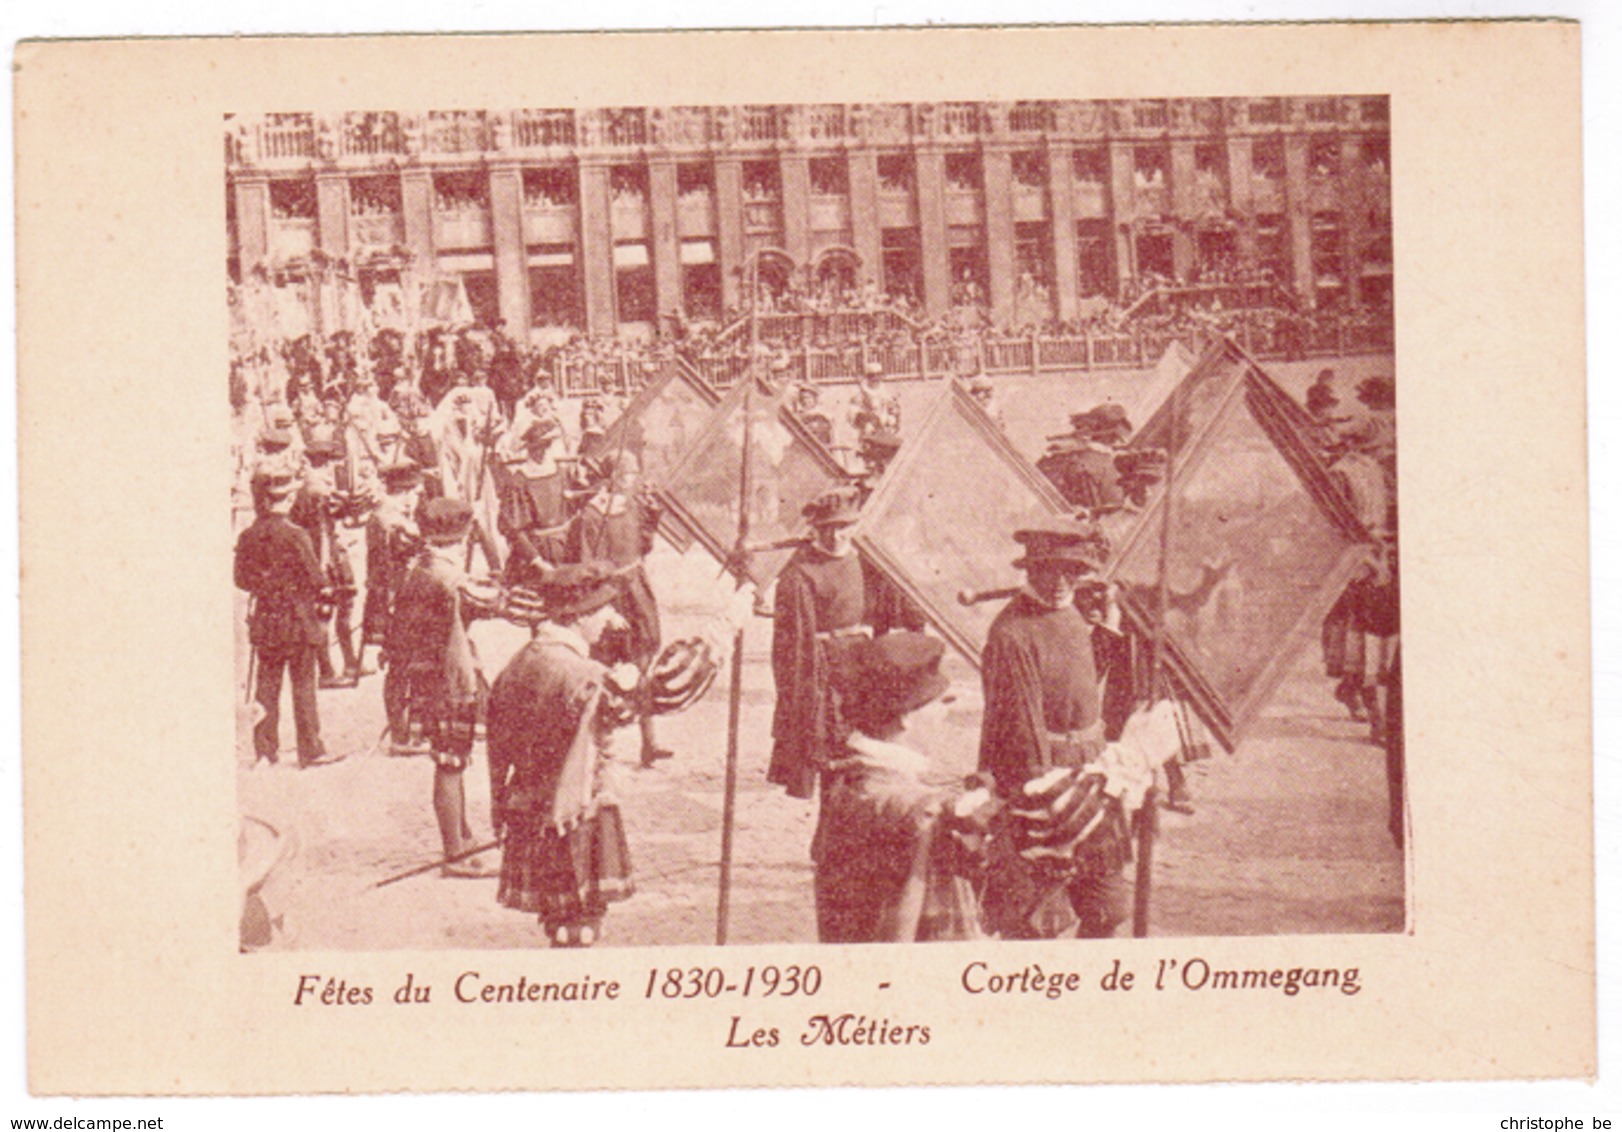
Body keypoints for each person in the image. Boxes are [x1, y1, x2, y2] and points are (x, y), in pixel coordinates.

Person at [978, 524, 1132, 938]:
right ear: (1031, 573)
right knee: (1035, 917)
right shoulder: (1013, 634)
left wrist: (1109, 627)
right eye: (1052, 572)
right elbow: (1021, 730)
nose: (1063, 582)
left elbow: (1078, 685)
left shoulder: (1071, 614)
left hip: (1091, 771)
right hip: (1042, 782)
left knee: (1108, 907)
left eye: (1072, 571)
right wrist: (1049, 808)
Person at [488, 563, 638, 947]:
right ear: (578, 616)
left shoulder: (520, 662)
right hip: (573, 816)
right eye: (603, 609)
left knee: (558, 921)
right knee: (581, 925)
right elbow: (660, 697)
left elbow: (498, 745)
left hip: (527, 809)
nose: (612, 618)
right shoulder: (584, 675)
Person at [813, 632, 972, 943]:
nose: (948, 712)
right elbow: (900, 929)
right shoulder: (917, 809)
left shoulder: (849, 779)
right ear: (905, 718)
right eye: (940, 702)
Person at [385, 498, 499, 878]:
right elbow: (485, 604)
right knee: (450, 763)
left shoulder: (422, 567)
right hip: (448, 680)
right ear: (461, 537)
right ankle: (454, 853)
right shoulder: (446, 577)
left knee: (454, 760)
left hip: (431, 676)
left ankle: (463, 837)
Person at [567, 451, 672, 767]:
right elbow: (588, 564)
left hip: (636, 588)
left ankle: (649, 741)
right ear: (612, 477)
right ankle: (599, 744)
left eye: (634, 473)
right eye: (626, 474)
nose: (632, 479)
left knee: (643, 661)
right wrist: (603, 603)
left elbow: (644, 546)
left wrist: (652, 522)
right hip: (610, 594)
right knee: (606, 666)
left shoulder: (633, 505)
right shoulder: (591, 516)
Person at [767, 486, 869, 800]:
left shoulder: (865, 561)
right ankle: (830, 842)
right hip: (823, 673)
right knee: (833, 759)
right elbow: (791, 647)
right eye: (827, 529)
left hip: (862, 665)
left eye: (843, 528)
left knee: (867, 759)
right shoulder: (800, 574)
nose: (836, 536)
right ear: (815, 531)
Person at [234, 469, 339, 768]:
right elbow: (317, 579)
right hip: (297, 619)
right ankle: (311, 749)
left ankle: (265, 751)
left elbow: (240, 579)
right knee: (304, 685)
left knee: (266, 685)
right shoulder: (295, 535)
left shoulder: (248, 536)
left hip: (266, 619)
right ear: (288, 498)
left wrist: (265, 585)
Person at [289, 437, 364, 687]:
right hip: (325, 558)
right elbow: (320, 531)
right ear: (324, 464)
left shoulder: (308, 486)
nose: (334, 470)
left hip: (327, 553)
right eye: (331, 464)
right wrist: (323, 571)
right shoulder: (317, 490)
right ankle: (328, 671)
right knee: (326, 612)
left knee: (337, 608)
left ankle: (349, 662)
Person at [497, 417, 572, 588]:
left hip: (565, 547)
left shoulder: (560, 473)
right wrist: (536, 560)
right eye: (539, 448)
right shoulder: (518, 481)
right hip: (535, 552)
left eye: (547, 446)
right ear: (531, 450)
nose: (543, 452)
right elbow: (513, 529)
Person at [850, 361, 901, 441]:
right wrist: (866, 419)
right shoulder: (860, 393)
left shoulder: (884, 390)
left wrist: (895, 417)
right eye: (872, 377)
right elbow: (852, 414)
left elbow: (893, 407)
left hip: (884, 427)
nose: (876, 379)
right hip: (869, 429)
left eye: (878, 376)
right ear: (868, 377)